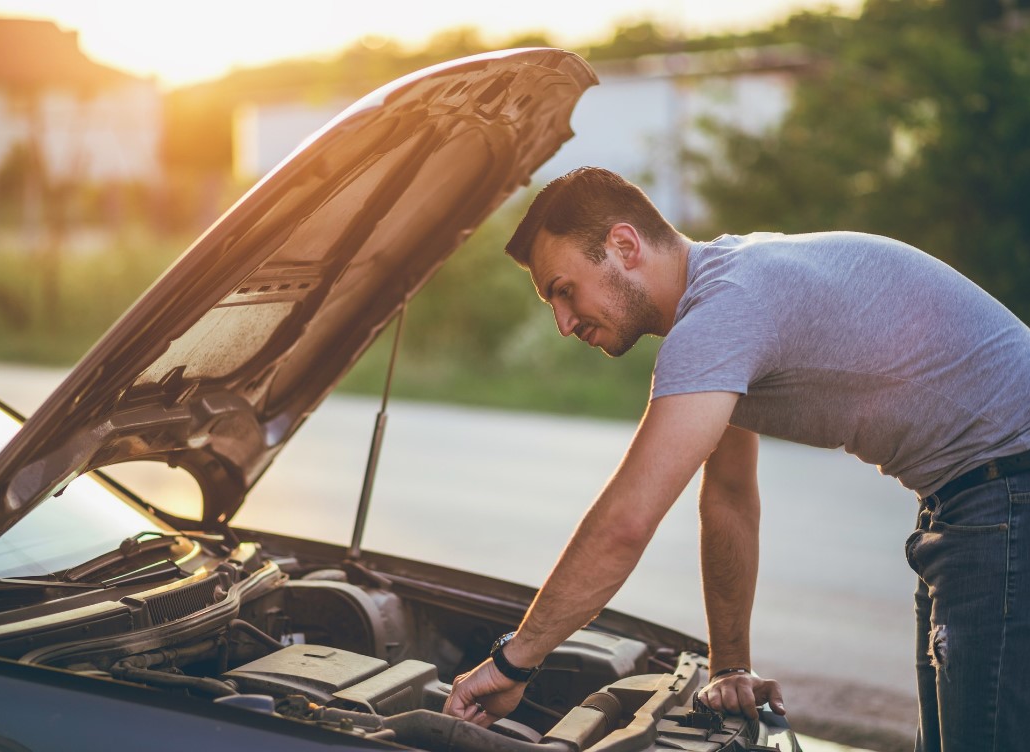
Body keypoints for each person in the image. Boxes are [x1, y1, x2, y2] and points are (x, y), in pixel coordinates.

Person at [441, 167, 1030, 752]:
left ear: (624, 245)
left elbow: (625, 524)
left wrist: (513, 663)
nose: (565, 322)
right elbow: (727, 498)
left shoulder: (722, 314)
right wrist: (729, 668)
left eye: (564, 290)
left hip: (1006, 494)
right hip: (979, 500)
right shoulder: (730, 287)